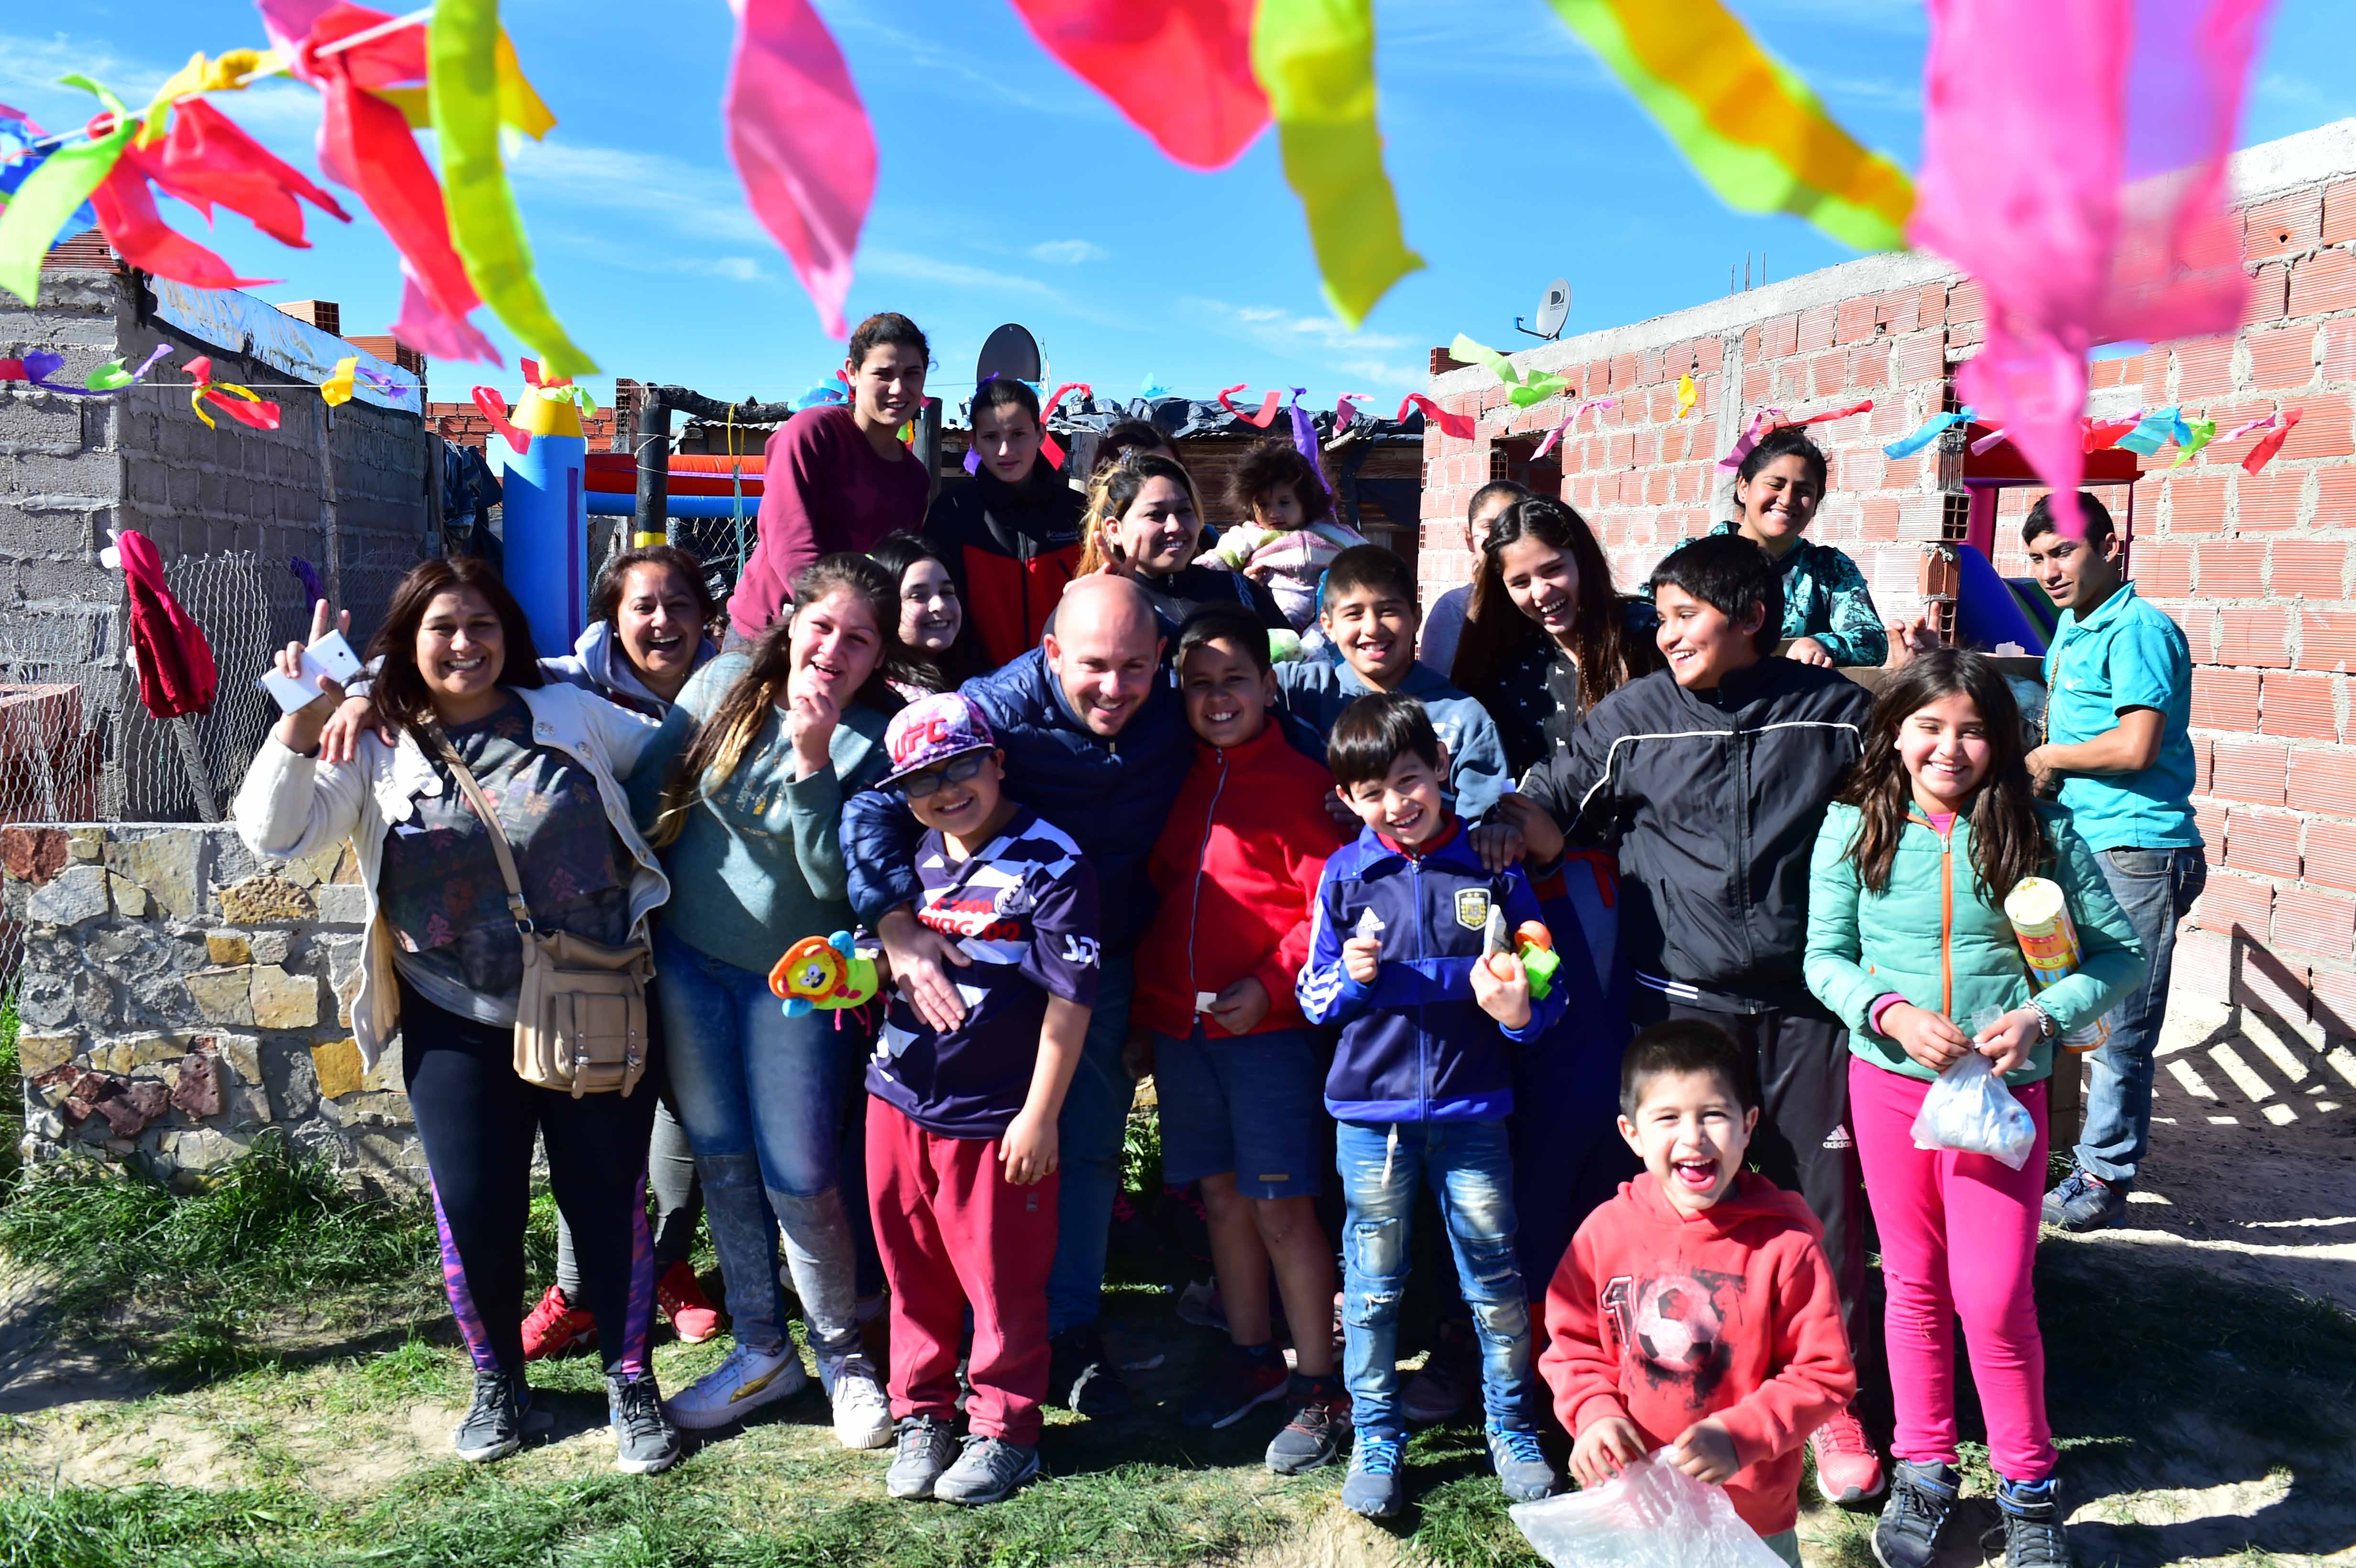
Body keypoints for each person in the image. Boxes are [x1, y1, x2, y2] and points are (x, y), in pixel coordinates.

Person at [231, 561, 681, 1475]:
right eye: (442, 627)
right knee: (474, 1207)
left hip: (593, 1006)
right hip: (453, 1015)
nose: (465, 644)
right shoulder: (375, 744)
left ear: (508, 634)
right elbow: (276, 836)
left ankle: (630, 1384)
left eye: (482, 625)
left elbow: (675, 769)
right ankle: (498, 1384)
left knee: (604, 1197)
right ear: (408, 640)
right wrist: (302, 723)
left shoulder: (565, 714)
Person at [1499, 532, 1885, 1503]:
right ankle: (1670, 1379)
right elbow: (1550, 805)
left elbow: (1912, 805)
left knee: (1824, 1208)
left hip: (1809, 1004)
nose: (1662, 633)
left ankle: (1830, 1404)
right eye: (1659, 614)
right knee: (1682, 1202)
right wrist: (1493, 828)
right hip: (1682, 1003)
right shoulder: (1633, 718)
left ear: (1751, 619)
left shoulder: (1836, 715)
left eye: (1682, 615)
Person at [1804, 648, 2142, 1568]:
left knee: (1992, 1298)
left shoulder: (2038, 832)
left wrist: (2042, 1013)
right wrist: (1889, 1013)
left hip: (2000, 1097)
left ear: (2001, 740)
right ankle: (1923, 1469)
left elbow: (2119, 957)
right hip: (1889, 1088)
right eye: (1927, 726)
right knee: (1912, 1287)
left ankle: (2028, 1489)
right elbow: (1821, 956)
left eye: (1972, 730)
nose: (1948, 748)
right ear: (1895, 732)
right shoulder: (1852, 826)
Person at [843, 574, 1195, 1419]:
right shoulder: (987, 713)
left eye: (1137, 669)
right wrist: (892, 923)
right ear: (1049, 656)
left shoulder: (1176, 707)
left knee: (1081, 1150)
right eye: (1095, 667)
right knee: (969, 1172)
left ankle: (1062, 1334)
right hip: (982, 972)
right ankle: (960, 1345)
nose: (1116, 688)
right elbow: (870, 805)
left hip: (1093, 961)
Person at [633, 555, 906, 1450]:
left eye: (858, 638)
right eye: (822, 626)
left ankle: (842, 1358)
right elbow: (645, 799)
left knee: (801, 1169)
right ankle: (759, 1348)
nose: (834, 648)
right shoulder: (717, 685)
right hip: (689, 963)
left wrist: (815, 759)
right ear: (791, 623)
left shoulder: (874, 737)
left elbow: (836, 883)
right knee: (720, 1153)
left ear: (876, 656)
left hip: (792, 987)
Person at [1299, 693, 1567, 1520]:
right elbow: (1312, 999)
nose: (1396, 803)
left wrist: (1519, 1010)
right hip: (1369, 1118)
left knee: (1493, 1279)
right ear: (1347, 799)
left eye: (1409, 780)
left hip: (1472, 1109)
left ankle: (1511, 1427)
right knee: (1373, 1288)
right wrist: (1353, 978)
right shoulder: (1344, 876)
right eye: (1373, 791)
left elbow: (1542, 975)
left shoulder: (1493, 865)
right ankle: (1378, 1437)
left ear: (1442, 770)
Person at [864, 692, 1098, 1507]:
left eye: (963, 764)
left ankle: (1006, 1429)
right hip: (893, 1098)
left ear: (997, 761)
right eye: (922, 779)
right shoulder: (914, 854)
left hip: (993, 1114)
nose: (946, 789)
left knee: (1001, 1281)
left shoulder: (1053, 861)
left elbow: (1071, 1002)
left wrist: (1038, 1115)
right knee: (911, 1267)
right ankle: (923, 1411)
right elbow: (888, 953)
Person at [1133, 608, 1351, 1472]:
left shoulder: (1306, 784)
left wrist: (1268, 985)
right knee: (1220, 1198)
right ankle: (1252, 1356)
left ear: (1270, 685)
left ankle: (1320, 1383)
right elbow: (1160, 900)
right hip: (1183, 1031)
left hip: (1269, 1032)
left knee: (1280, 1206)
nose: (1217, 698)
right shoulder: (1172, 779)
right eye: (1198, 683)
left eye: (1234, 680)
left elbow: (1326, 908)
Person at [1542, 1020, 1857, 1568]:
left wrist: (1739, 1436)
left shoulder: (1785, 1248)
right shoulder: (1603, 1233)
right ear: (1631, 1133)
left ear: (1747, 1125)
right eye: (1667, 1117)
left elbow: (1822, 1374)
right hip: (1635, 1502)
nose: (1692, 1137)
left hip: (1749, 1513)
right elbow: (1570, 1345)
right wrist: (1591, 1412)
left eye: (1713, 1114)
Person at [518, 544, 723, 1359]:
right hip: (598, 940)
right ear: (613, 617)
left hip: (706, 927)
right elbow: (448, 673)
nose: (663, 622)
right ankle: (580, 1290)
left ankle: (665, 1266)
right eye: (644, 606)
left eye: (679, 604)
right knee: (592, 1108)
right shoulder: (561, 685)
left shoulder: (737, 688)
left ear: (706, 616)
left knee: (687, 1104)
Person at [2021, 493, 2205, 1233]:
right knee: (2075, 1002)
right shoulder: (2072, 625)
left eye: (2063, 552)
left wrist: (2050, 757)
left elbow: (2135, 746)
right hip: (2087, 840)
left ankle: (2104, 1174)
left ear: (2109, 546)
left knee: (2124, 1019)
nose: (2049, 572)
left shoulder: (2139, 629)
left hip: (2140, 846)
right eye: (2036, 560)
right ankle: (2078, 1150)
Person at [726, 312, 933, 639]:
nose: (899, 388)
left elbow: (897, 565)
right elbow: (790, 538)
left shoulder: (916, 478)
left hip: (850, 641)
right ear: (853, 372)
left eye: (912, 374)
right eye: (883, 373)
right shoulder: (812, 433)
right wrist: (835, 615)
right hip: (770, 634)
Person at [1274, 544, 1509, 822]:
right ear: (1328, 626)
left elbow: (1481, 831)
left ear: (1416, 618)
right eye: (1354, 614)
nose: (1372, 628)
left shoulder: (1463, 718)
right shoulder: (1299, 691)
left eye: (1388, 611)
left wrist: (1393, 820)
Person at [1451, 493, 1663, 780]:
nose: (1540, 593)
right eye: (1521, 582)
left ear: (1582, 560)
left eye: (1553, 570)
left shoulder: (1648, 636)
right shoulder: (1500, 664)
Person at [924, 379, 1088, 668]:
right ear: (973, 441)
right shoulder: (953, 513)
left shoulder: (1077, 511)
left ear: (1040, 434)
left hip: (1065, 691)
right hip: (980, 696)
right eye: (991, 437)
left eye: (1018, 434)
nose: (1004, 450)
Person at [1711, 426, 1887, 668]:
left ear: (1815, 505)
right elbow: (1648, 619)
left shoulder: (1829, 568)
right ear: (1744, 488)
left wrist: (1824, 645)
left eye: (1804, 491)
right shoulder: (1695, 558)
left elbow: (1873, 640)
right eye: (1776, 484)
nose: (1787, 499)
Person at [1076, 451, 1288, 632]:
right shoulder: (1094, 606)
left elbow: (1295, 663)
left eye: (1185, 511)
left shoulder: (1241, 592)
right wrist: (1095, 601)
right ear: (1115, 530)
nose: (1175, 526)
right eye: (1155, 514)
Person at [1205, 438, 1366, 632]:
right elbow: (1219, 559)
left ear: (1306, 501)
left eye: (1284, 503)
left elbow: (1370, 557)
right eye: (1263, 505)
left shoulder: (1330, 533)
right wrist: (1193, 576)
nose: (1273, 514)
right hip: (1272, 616)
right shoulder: (1249, 536)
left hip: (1324, 621)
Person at [1419, 480, 1525, 681]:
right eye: (1489, 526)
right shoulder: (1454, 608)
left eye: (1512, 523)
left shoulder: (1545, 598)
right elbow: (1436, 693)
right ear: (1469, 539)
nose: (1501, 535)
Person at [870, 532, 987, 699]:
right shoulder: (894, 702)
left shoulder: (973, 677)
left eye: (947, 592)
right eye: (918, 596)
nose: (939, 605)